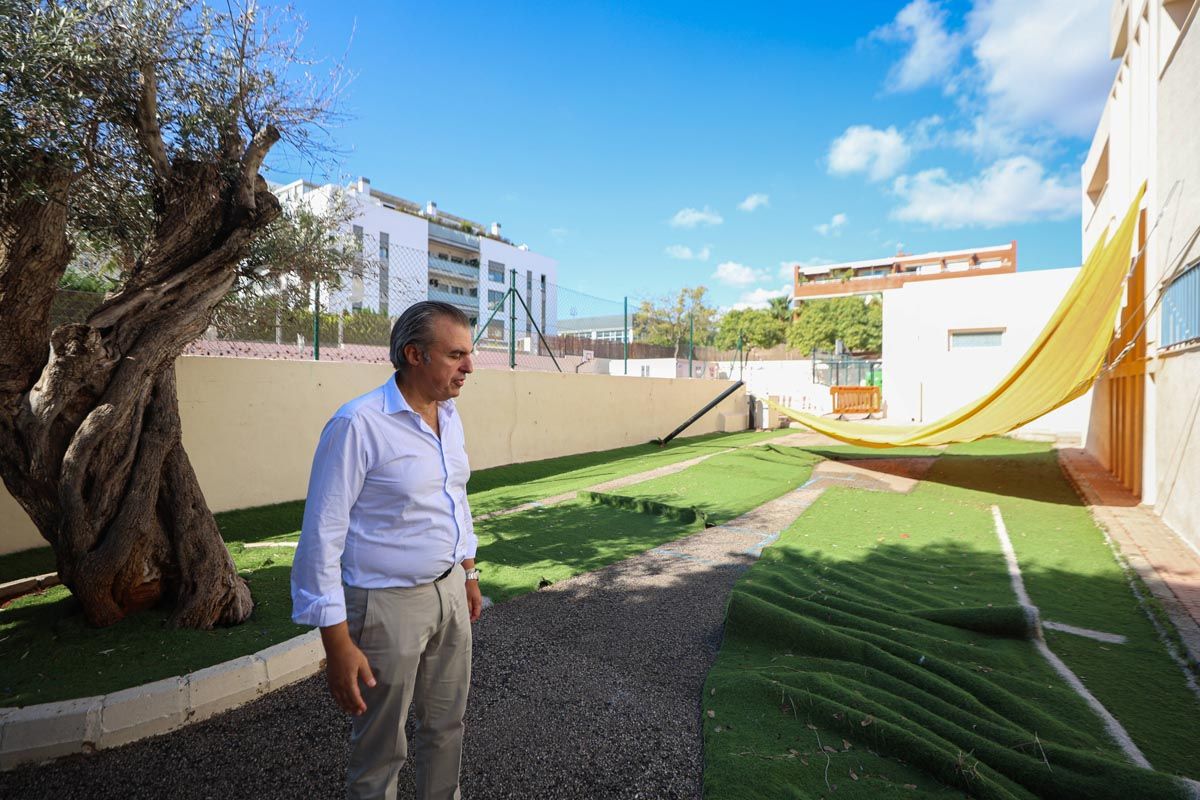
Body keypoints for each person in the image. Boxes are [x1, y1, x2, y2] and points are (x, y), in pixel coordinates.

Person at [291, 301, 482, 800]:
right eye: (456, 354)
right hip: (385, 605)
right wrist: (337, 644)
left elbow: (454, 496)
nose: (469, 366)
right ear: (414, 355)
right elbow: (320, 538)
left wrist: (468, 571)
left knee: (447, 726)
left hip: (449, 595)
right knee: (380, 749)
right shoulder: (357, 424)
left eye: (469, 353)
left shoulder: (450, 415)